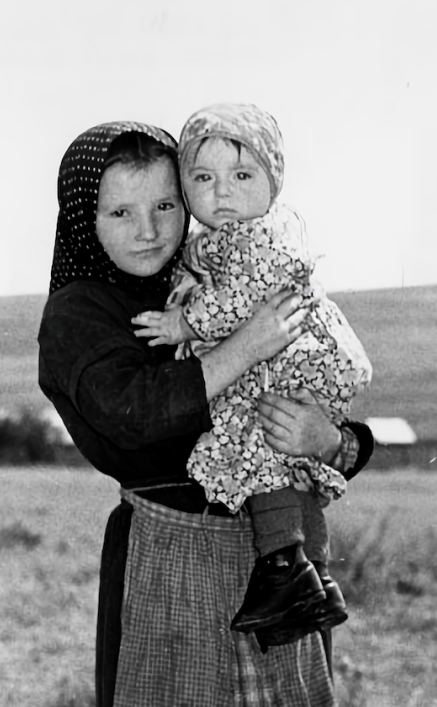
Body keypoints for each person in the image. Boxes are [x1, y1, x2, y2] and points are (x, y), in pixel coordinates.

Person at [38, 120, 375, 707]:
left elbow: (310, 378)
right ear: (84, 219)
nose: (149, 230)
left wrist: (332, 442)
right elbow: (137, 415)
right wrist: (247, 344)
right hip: (173, 556)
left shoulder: (216, 278)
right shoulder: (80, 313)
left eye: (166, 204)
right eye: (121, 213)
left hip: (281, 558)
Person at [132, 103, 372, 639]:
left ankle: (284, 567)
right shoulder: (228, 239)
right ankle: (316, 571)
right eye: (203, 178)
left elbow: (242, 300)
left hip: (293, 359)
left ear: (273, 181)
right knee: (285, 454)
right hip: (291, 357)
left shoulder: (262, 238)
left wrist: (181, 324)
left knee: (255, 438)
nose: (222, 193)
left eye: (241, 176)